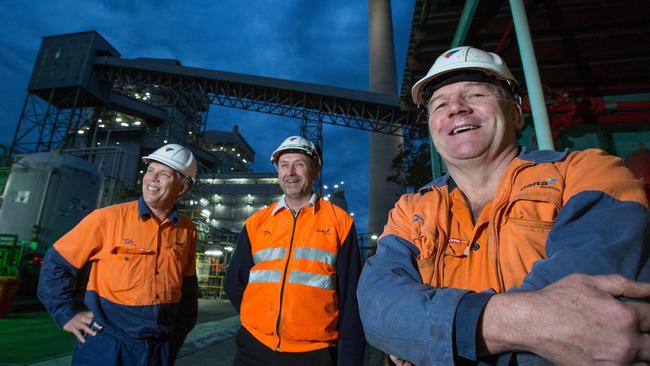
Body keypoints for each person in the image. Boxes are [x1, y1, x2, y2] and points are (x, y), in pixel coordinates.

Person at [357, 46, 650, 366]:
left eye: (476, 95)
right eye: (440, 104)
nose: (456, 108)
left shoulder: (589, 173)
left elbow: (589, 321)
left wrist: (424, 337)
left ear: (514, 112)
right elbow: (377, 304)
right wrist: (528, 326)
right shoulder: (410, 209)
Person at [38, 143, 199, 366]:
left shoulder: (187, 230)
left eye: (164, 174)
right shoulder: (106, 219)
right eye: (150, 170)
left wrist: (176, 338)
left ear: (183, 186)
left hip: (159, 348)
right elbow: (56, 263)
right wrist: (65, 313)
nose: (152, 179)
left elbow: (188, 289)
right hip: (107, 345)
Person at [225, 136, 365, 366]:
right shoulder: (257, 223)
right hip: (253, 348)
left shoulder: (339, 223)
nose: (291, 172)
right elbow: (233, 283)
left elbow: (351, 300)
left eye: (299, 164)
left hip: (313, 354)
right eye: (284, 165)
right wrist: (260, 316)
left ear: (315, 169)